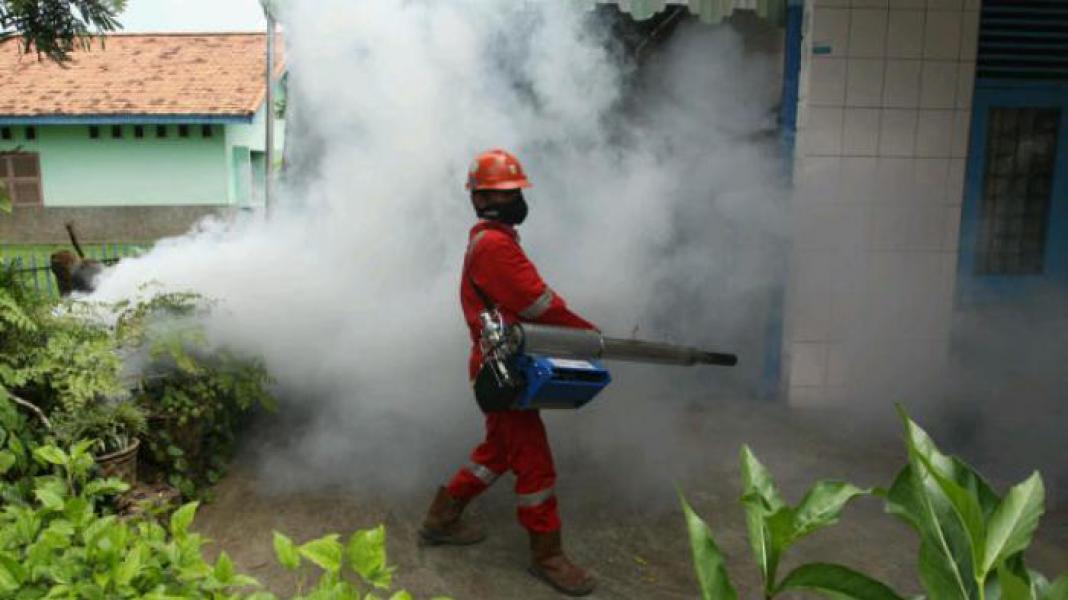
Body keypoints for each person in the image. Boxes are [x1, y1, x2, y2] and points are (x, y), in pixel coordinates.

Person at [420, 149, 597, 596]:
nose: (513, 198)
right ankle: (548, 555)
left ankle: (441, 517)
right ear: (479, 199)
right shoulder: (495, 246)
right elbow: (538, 304)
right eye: (502, 192)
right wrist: (587, 335)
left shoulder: (495, 240)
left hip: (498, 362)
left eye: (514, 190)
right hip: (503, 368)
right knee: (534, 460)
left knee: (498, 451)